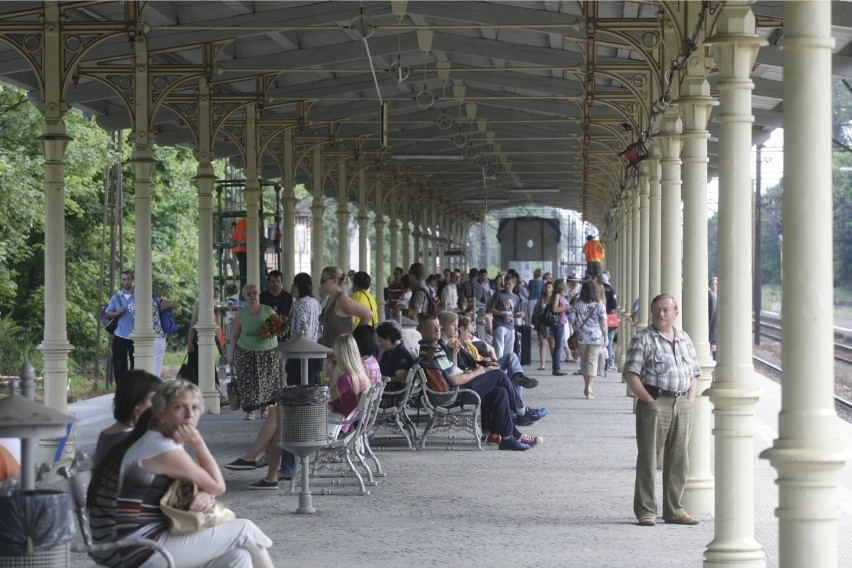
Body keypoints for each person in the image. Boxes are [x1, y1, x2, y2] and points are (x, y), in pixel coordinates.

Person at [105, 379, 274, 566]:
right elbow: (218, 486)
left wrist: (204, 492)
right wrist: (198, 442)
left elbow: (200, 483)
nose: (189, 415)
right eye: (179, 408)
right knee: (245, 530)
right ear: (161, 414)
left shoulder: (155, 441)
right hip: (145, 549)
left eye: (195, 408)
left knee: (238, 557)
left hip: (142, 544)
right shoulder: (164, 449)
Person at [623, 294, 701, 527]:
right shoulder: (643, 339)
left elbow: (694, 373)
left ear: (675, 314)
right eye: (656, 309)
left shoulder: (685, 338)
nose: (661, 314)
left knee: (679, 460)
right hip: (656, 403)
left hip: (682, 404)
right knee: (648, 458)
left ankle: (674, 509)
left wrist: (690, 399)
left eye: (666, 310)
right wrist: (649, 400)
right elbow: (630, 373)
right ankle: (646, 510)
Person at [417, 314, 544, 451]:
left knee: (499, 392)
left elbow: (452, 373)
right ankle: (521, 410)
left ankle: (508, 438)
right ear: (422, 330)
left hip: (454, 392)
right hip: (454, 395)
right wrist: (479, 372)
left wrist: (464, 366)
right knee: (498, 374)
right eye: (432, 327)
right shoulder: (434, 350)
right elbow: (454, 380)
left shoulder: (431, 349)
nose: (437, 329)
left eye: (438, 326)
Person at [227, 284, 278, 421]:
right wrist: (230, 356)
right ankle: (250, 411)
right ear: (245, 297)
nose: (252, 296)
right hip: (246, 351)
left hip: (267, 352)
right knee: (247, 382)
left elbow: (278, 328)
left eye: (254, 293)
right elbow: (234, 336)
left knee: (266, 381)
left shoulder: (268, 310)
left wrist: (272, 332)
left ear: (259, 294)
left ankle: (265, 408)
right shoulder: (241, 314)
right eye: (248, 294)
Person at [93, 370, 161, 465]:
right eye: (154, 401)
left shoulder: (105, 434)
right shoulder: (133, 440)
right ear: (137, 407)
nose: (159, 406)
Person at [569, 279, 608, 399]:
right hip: (596, 338)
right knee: (592, 362)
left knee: (584, 362)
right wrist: (606, 338)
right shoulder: (599, 304)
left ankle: (587, 385)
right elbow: (604, 324)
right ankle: (589, 387)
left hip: (581, 338)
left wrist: (577, 326)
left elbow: (571, 319)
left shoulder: (577, 303)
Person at [319, 266, 373, 348]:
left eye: (323, 280)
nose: (321, 283)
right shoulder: (330, 299)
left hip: (341, 353)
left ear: (334, 280)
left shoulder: (341, 299)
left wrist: (354, 338)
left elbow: (368, 314)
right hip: (329, 351)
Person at [105, 270, 136, 382]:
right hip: (120, 335)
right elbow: (107, 313)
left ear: (132, 280)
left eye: (128, 279)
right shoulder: (116, 297)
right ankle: (121, 392)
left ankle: (134, 390)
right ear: (121, 281)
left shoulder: (139, 297)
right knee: (119, 366)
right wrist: (118, 312)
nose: (126, 281)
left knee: (136, 367)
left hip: (136, 336)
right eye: (124, 279)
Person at [487, 273, 524, 359]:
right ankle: (498, 369)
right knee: (499, 350)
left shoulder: (516, 297)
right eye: (506, 283)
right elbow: (490, 309)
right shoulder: (498, 294)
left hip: (510, 326)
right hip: (499, 324)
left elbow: (514, 313)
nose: (507, 286)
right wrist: (502, 314)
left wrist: (519, 315)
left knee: (509, 351)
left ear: (514, 285)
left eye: (509, 284)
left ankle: (505, 370)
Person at [151, 283, 180, 378]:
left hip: (144, 339)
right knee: (156, 367)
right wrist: (165, 308)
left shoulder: (137, 302)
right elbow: (176, 304)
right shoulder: (157, 301)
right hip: (158, 337)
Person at [259, 270, 293, 334]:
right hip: (266, 331)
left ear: (282, 282)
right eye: (273, 281)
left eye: (278, 281)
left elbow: (290, 315)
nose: (276, 284)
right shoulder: (262, 296)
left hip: (284, 330)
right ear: (269, 282)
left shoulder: (288, 296)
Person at [549, 278, 571, 376]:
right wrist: (566, 308)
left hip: (561, 322)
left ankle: (556, 367)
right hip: (558, 323)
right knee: (558, 346)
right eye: (564, 284)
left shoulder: (559, 296)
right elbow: (554, 309)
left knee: (559, 346)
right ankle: (556, 368)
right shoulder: (557, 295)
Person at [533, 281, 555, 370]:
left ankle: (555, 363)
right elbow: (535, 309)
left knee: (552, 344)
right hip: (542, 324)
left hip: (551, 324)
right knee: (542, 344)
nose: (547, 289)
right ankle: (543, 364)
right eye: (546, 287)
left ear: (553, 289)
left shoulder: (555, 299)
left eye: (549, 287)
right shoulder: (541, 299)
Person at [601, 273, 619, 369]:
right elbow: (615, 305)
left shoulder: (597, 289)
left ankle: (600, 362)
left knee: (599, 340)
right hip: (608, 316)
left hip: (598, 317)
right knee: (610, 340)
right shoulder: (611, 290)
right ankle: (610, 362)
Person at [708, 276, 718, 361]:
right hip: (713, 336)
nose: (714, 287)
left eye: (716, 285)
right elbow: (713, 319)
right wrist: (713, 340)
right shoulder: (712, 298)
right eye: (712, 284)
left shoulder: (715, 298)